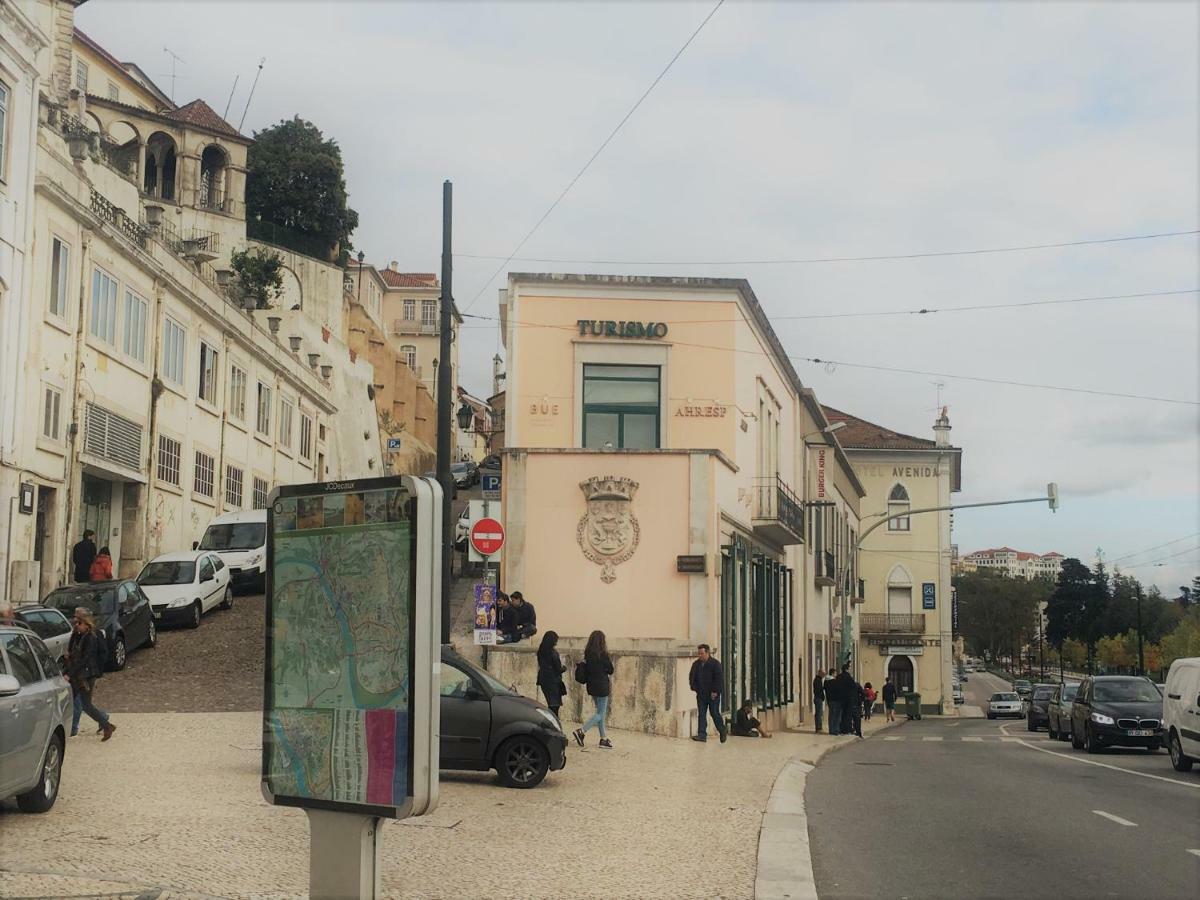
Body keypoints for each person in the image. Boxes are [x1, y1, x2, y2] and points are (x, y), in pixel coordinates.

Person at [64, 608, 115, 740]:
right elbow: (72, 652)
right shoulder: (77, 635)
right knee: (79, 703)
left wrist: (70, 673)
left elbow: (86, 658)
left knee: (85, 705)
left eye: (79, 623)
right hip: (78, 674)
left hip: (86, 675)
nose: (76, 625)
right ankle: (104, 722)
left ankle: (105, 724)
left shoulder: (91, 637)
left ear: (86, 624)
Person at [573, 630, 614, 750]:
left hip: (591, 687)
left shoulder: (588, 654)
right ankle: (581, 731)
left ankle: (603, 739)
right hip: (602, 687)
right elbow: (611, 670)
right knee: (600, 714)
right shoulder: (603, 655)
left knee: (600, 713)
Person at [688, 643, 727, 743]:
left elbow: (719, 679)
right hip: (701, 694)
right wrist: (694, 687)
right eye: (699, 653)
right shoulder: (696, 664)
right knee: (701, 714)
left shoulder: (715, 664)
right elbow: (692, 676)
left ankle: (722, 730)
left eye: (702, 653)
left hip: (712, 695)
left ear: (707, 653)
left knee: (714, 713)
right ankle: (702, 735)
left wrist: (715, 691)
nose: (700, 655)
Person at [536, 630, 567, 720]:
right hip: (553, 681)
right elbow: (558, 668)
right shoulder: (553, 653)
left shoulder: (541, 651)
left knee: (551, 704)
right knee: (555, 706)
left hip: (543, 680)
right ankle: (553, 725)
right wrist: (564, 668)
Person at [834, 663, 856, 736]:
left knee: (840, 714)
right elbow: (853, 687)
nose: (850, 670)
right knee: (847, 715)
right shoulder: (849, 677)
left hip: (839, 698)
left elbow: (836, 687)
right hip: (848, 699)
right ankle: (847, 729)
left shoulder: (838, 677)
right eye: (849, 668)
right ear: (846, 669)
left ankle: (839, 729)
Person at [825, 666, 844, 735]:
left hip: (829, 699)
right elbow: (837, 690)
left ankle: (831, 730)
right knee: (836, 716)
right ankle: (835, 730)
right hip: (835, 700)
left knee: (831, 715)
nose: (836, 674)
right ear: (833, 673)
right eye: (835, 673)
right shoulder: (834, 681)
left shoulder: (826, 681)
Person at [812, 668, 826, 733]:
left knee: (819, 713)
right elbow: (818, 690)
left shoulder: (819, 680)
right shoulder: (817, 680)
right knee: (818, 713)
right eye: (823, 674)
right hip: (818, 698)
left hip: (819, 698)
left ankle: (819, 727)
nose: (824, 675)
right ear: (820, 673)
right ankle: (818, 728)